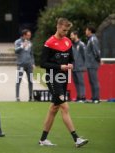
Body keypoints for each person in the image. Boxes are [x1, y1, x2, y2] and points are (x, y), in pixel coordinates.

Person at [39, 18, 88, 147]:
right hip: (52, 78)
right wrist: (60, 67)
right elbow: (43, 63)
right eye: (64, 30)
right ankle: (76, 139)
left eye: (67, 30)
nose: (66, 33)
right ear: (58, 27)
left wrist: (70, 65)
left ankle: (43, 139)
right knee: (64, 107)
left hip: (64, 78)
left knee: (54, 108)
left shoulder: (67, 42)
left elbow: (71, 59)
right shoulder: (49, 43)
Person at [14, 29, 35, 102]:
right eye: (28, 35)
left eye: (30, 35)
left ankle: (30, 97)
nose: (29, 36)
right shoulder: (18, 42)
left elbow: (31, 54)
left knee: (30, 81)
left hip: (29, 65)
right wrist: (22, 46)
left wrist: (33, 63)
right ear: (24, 35)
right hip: (21, 64)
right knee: (18, 81)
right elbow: (16, 50)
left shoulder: (30, 42)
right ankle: (17, 97)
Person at [85, 25, 101, 103]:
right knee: (91, 81)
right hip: (89, 63)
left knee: (94, 81)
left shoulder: (93, 39)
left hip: (92, 63)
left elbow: (96, 51)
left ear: (90, 31)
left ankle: (96, 98)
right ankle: (94, 97)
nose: (85, 31)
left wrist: (98, 60)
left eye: (86, 30)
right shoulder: (90, 39)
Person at [70, 31, 86, 102]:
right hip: (74, 67)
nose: (70, 37)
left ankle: (83, 97)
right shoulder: (71, 45)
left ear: (76, 35)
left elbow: (85, 55)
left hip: (80, 67)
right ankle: (79, 96)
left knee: (81, 82)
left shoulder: (81, 44)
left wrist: (85, 66)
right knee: (76, 82)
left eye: (72, 35)